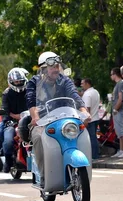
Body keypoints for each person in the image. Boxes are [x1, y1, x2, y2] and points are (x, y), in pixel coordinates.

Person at [26, 51, 90, 187]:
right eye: (52, 67)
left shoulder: (64, 80)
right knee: (37, 137)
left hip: (64, 118)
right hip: (42, 121)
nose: (56, 69)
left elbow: (74, 95)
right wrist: (35, 117)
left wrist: (84, 112)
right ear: (43, 69)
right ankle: (44, 175)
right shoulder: (34, 82)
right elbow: (31, 100)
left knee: (80, 131)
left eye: (57, 66)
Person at [0, 68, 28, 173]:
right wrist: (10, 117)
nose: (18, 83)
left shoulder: (30, 91)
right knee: (6, 139)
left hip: (29, 119)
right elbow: (5, 110)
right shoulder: (7, 93)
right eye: (16, 81)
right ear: (11, 82)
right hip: (11, 121)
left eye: (20, 81)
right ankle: (8, 161)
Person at [110, 67, 123, 157]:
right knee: (119, 132)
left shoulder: (120, 84)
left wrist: (115, 109)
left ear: (115, 74)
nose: (111, 76)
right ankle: (121, 149)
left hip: (120, 111)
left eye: (111, 74)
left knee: (122, 130)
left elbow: (121, 98)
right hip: (117, 111)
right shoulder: (117, 84)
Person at [82, 78, 101, 160]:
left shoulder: (87, 94)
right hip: (96, 117)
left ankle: (94, 155)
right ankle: (96, 153)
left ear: (87, 83)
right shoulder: (95, 92)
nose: (81, 85)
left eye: (82, 83)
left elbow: (87, 108)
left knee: (91, 138)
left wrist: (86, 120)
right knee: (94, 137)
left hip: (90, 119)